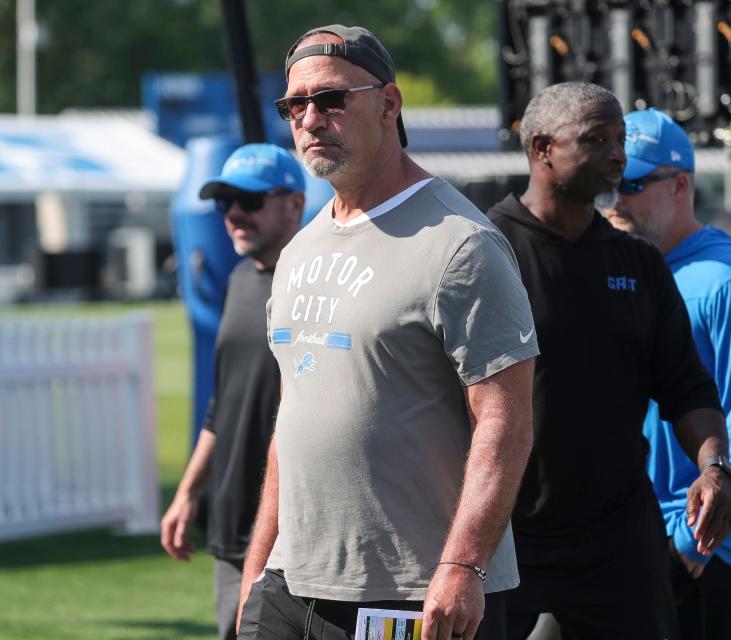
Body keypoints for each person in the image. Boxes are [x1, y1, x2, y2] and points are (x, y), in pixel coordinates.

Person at [236, 24, 539, 640]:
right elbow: (295, 415)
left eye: (332, 99)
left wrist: (462, 566)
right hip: (291, 583)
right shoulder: (300, 249)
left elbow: (505, 423)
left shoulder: (461, 243)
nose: (310, 119)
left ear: (389, 104)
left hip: (411, 593)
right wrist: (259, 566)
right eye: (296, 105)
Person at [485, 82, 731, 640]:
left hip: (616, 533)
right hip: (501, 533)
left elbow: (687, 386)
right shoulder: (483, 250)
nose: (618, 155)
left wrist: (714, 467)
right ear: (543, 149)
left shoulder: (639, 263)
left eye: (620, 139)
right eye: (597, 139)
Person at [605, 108, 731, 640]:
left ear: (680, 185)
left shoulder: (729, 284)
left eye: (633, 184)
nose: (617, 200)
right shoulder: (632, 269)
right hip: (628, 532)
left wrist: (692, 541)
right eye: (611, 183)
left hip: (695, 541)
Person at [160, 143, 306, 640]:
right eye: (225, 203)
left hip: (302, 530)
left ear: (295, 203)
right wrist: (187, 494)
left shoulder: (317, 284)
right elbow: (223, 405)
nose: (235, 215)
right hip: (232, 526)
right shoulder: (240, 280)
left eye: (250, 201)